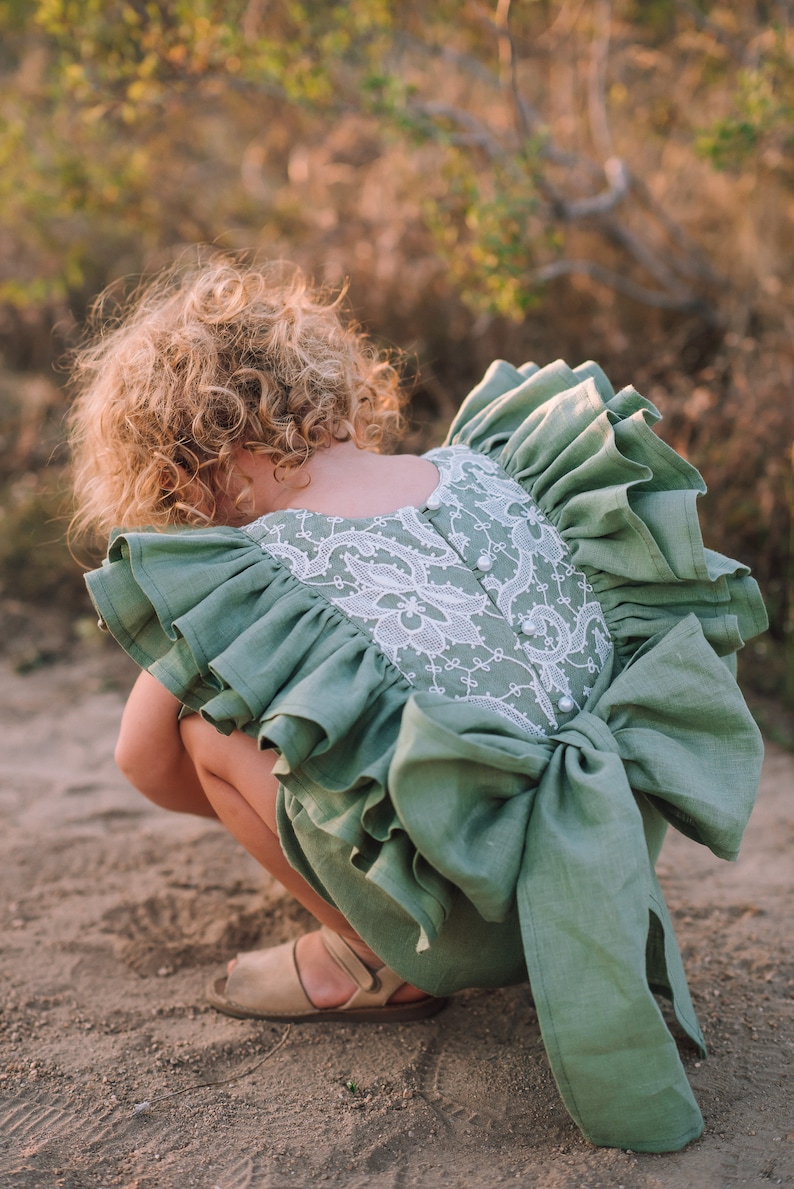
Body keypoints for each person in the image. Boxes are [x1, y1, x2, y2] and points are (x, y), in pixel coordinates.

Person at [69, 255, 767, 1154]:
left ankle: (366, 955)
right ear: (327, 386)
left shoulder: (271, 561)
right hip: (615, 856)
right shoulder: (493, 468)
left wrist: (242, 683)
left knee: (204, 727)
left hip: (479, 923)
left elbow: (141, 760)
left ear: (190, 459)